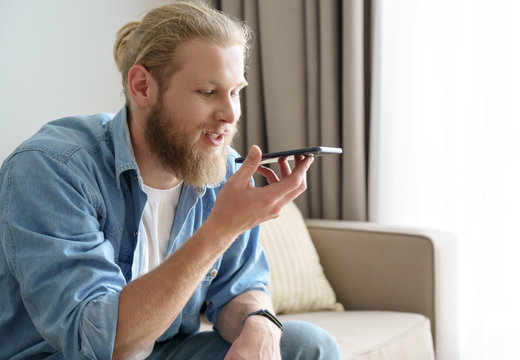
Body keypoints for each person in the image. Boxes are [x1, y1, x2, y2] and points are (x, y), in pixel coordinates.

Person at [0, 2, 341, 360]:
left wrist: (260, 322)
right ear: (143, 87)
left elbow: (240, 286)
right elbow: (100, 342)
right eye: (208, 92)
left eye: (236, 91)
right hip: (70, 355)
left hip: (163, 351)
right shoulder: (52, 169)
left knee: (306, 345)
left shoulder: (220, 168)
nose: (229, 114)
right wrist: (221, 229)